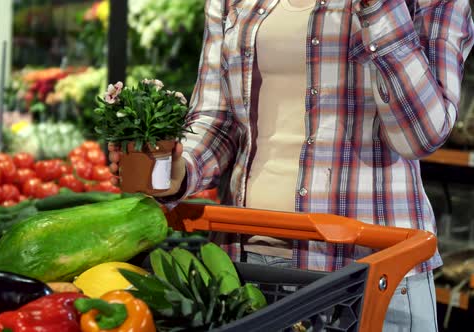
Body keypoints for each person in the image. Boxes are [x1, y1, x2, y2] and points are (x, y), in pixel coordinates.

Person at [110, 0, 474, 330]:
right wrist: (176, 171)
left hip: (368, 273)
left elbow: (421, 135)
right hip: (248, 268)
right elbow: (216, 119)